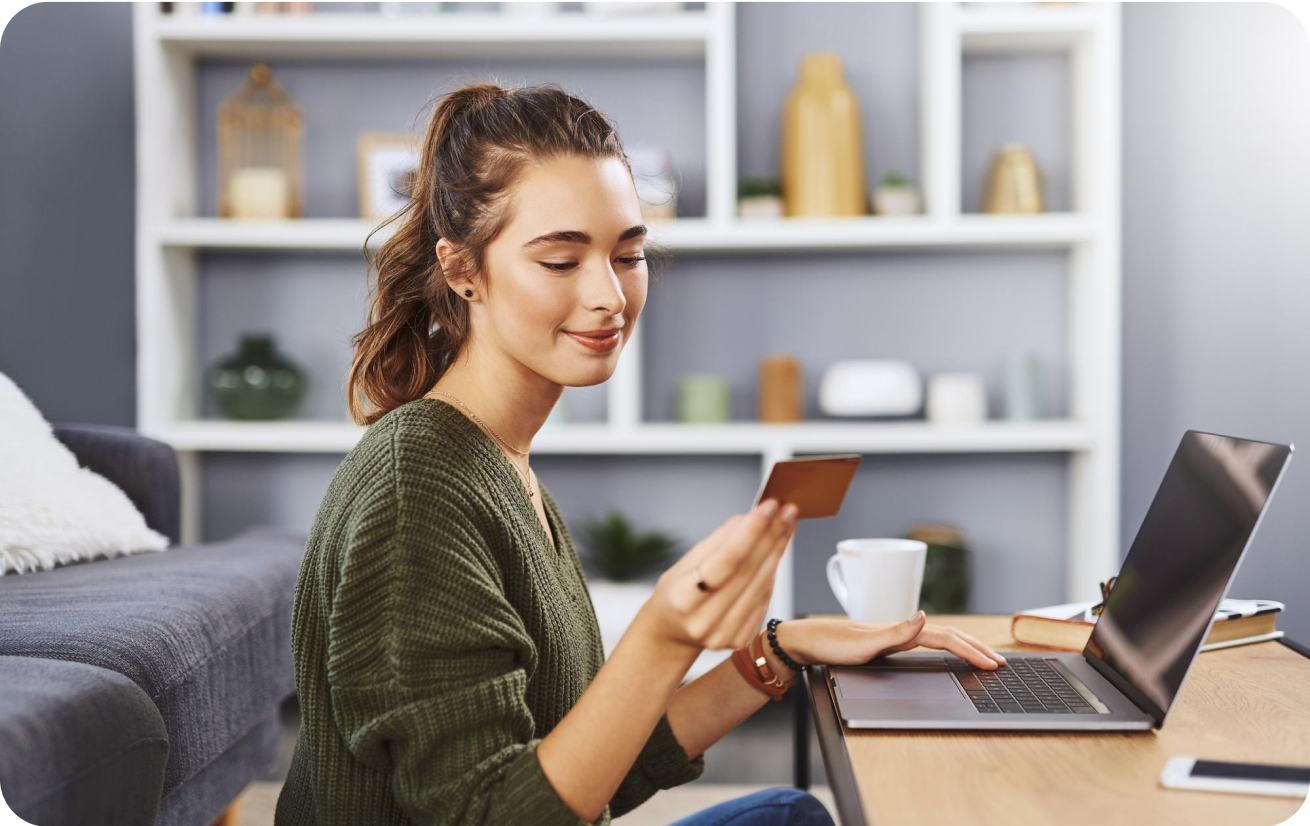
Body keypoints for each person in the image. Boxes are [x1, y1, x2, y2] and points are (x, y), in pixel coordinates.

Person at [274, 79, 1008, 826]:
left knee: (794, 814)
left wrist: (779, 653)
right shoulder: (418, 489)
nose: (610, 297)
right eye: (561, 262)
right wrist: (662, 635)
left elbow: (588, 769)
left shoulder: (498, 460)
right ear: (464, 272)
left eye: (629, 254)